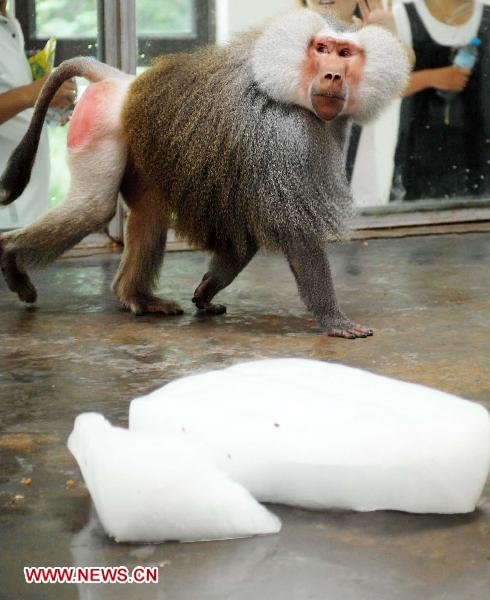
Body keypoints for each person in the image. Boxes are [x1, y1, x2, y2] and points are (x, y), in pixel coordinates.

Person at [392, 0, 490, 200]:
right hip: (418, 156)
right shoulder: (402, 15)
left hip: (478, 155)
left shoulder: (487, 17)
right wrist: (433, 78)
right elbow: (385, 88)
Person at [0, 0, 76, 229]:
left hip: (25, 212)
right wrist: (34, 93)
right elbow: (25, 96)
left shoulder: (9, 23)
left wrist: (45, 103)